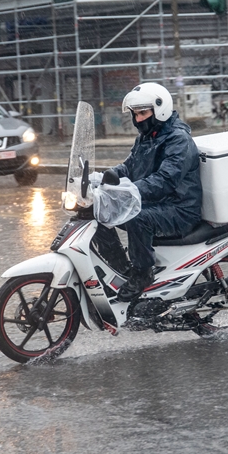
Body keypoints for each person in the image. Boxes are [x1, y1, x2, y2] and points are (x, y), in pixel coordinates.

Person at [93, 82, 203, 302]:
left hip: (180, 208)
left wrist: (131, 191)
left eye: (143, 113)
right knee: (98, 212)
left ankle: (143, 273)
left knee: (137, 218)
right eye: (135, 114)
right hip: (159, 203)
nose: (138, 119)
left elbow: (165, 181)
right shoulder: (148, 136)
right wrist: (107, 176)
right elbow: (131, 166)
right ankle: (122, 270)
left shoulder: (178, 140)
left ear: (160, 110)